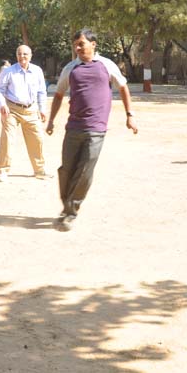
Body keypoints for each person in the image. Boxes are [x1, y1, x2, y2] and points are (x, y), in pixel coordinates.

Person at [46, 28, 138, 231]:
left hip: (96, 128)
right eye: (75, 45)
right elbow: (59, 94)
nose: (78, 48)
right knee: (66, 170)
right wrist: (51, 120)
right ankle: (67, 205)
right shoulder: (71, 68)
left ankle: (71, 211)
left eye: (81, 44)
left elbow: (123, 87)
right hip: (73, 127)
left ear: (93, 44)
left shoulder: (106, 65)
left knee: (85, 171)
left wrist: (129, 115)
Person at [0, 45, 50, 181]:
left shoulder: (37, 71)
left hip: (31, 110)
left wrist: (42, 109)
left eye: (25, 54)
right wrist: (2, 104)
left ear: (30, 55)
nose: (22, 56)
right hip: (12, 110)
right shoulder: (8, 71)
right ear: (16, 55)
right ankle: (3, 171)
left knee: (37, 139)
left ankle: (39, 170)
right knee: (7, 139)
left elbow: (42, 91)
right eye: (19, 54)